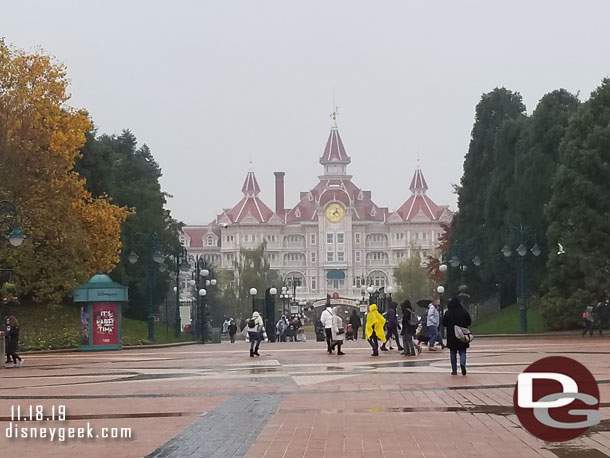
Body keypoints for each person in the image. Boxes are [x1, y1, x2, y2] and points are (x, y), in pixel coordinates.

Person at [442, 298, 472, 375]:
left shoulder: (448, 313)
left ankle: (454, 370)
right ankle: (462, 363)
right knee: (462, 351)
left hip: (451, 335)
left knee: (453, 352)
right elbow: (469, 321)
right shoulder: (463, 311)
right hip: (462, 334)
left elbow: (444, 323)